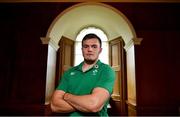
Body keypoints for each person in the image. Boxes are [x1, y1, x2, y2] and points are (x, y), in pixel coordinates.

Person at [50, 33, 115, 116]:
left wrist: (67, 96)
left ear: (100, 50)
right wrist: (84, 104)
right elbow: (54, 105)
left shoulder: (106, 70)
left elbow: (93, 105)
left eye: (94, 46)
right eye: (86, 46)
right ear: (82, 49)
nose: (90, 49)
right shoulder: (69, 72)